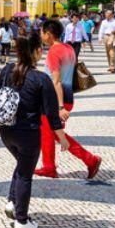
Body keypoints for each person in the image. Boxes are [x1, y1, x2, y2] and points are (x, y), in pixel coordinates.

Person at [0, 30, 71, 228]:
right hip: (27, 133)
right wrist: (63, 139)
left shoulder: (6, 71)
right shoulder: (40, 79)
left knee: (22, 166)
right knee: (25, 174)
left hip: (6, 130)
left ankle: (12, 202)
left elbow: (0, 94)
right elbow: (51, 115)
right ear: (38, 52)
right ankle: (21, 220)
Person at [35, 19, 101, 180]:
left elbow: (56, 80)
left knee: (52, 132)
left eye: (42, 32)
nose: (41, 35)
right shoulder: (69, 48)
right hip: (68, 96)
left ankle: (89, 159)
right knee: (50, 132)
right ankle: (49, 166)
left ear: (49, 34)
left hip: (55, 100)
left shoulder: (53, 52)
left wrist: (59, 107)